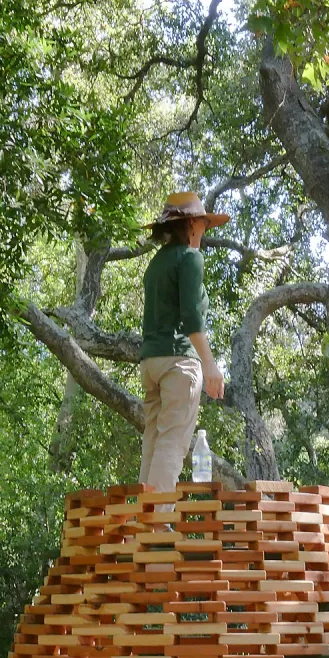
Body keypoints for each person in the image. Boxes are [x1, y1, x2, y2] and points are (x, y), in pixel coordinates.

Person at [138, 191, 227, 493]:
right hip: (178, 363)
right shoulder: (190, 259)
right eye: (202, 223)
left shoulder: (156, 264)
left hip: (150, 363)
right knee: (173, 444)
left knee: (153, 440)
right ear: (190, 223)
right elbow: (192, 320)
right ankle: (159, 529)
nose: (204, 229)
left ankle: (146, 521)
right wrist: (211, 366)